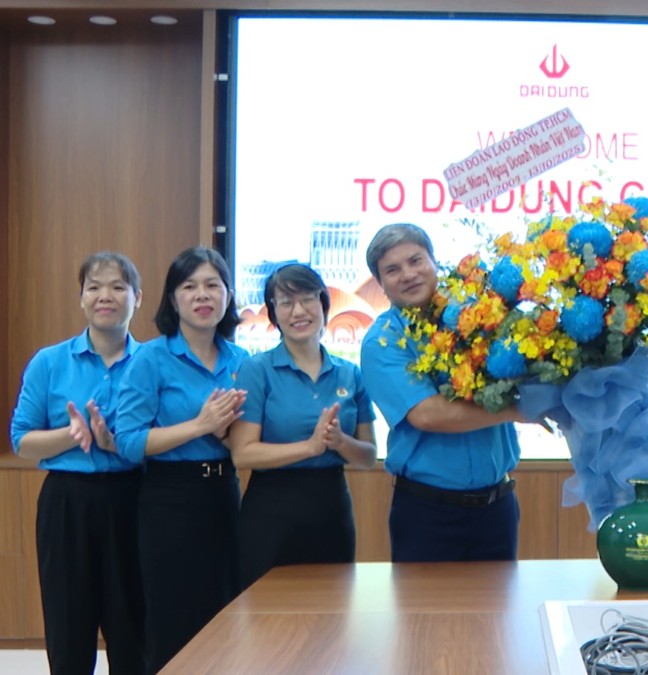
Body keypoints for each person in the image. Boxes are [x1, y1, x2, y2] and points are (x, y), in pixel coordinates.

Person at [114, 246, 248, 674]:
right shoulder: (151, 359)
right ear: (173, 299)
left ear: (228, 295)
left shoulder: (242, 360)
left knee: (225, 613)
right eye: (189, 286)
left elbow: (240, 439)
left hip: (224, 494)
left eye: (213, 285)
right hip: (169, 499)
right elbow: (129, 442)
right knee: (173, 617)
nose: (202, 295)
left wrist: (227, 435)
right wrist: (201, 424)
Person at [10, 252, 145, 675]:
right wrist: (72, 434)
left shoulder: (152, 363)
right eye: (94, 287)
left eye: (118, 287)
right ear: (81, 298)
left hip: (134, 500)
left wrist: (114, 443)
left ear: (137, 298)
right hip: (67, 503)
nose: (105, 296)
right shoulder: (49, 362)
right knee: (69, 628)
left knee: (133, 629)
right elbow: (22, 442)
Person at [360, 223, 523, 562]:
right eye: (392, 270)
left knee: (497, 615)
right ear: (381, 284)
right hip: (427, 513)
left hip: (498, 508)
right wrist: (520, 410)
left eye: (416, 260)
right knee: (424, 616)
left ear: (434, 262)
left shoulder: (477, 317)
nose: (408, 274)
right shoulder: (383, 341)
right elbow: (429, 414)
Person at [230, 264, 377, 588]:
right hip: (271, 510)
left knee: (331, 617)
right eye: (285, 302)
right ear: (273, 313)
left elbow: (368, 456)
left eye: (308, 299)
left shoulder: (349, 373)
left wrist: (340, 442)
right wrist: (310, 448)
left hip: (332, 508)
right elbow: (242, 454)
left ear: (324, 305)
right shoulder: (257, 369)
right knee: (267, 620)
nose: (299, 311)